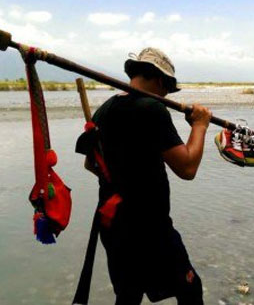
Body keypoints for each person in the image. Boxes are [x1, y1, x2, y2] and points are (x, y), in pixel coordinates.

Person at [81, 47, 211, 304]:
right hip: (148, 226)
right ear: (161, 80)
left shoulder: (103, 111)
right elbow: (187, 169)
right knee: (190, 288)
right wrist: (200, 126)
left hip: (112, 223)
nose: (165, 96)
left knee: (128, 295)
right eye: (167, 89)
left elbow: (90, 164)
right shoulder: (151, 109)